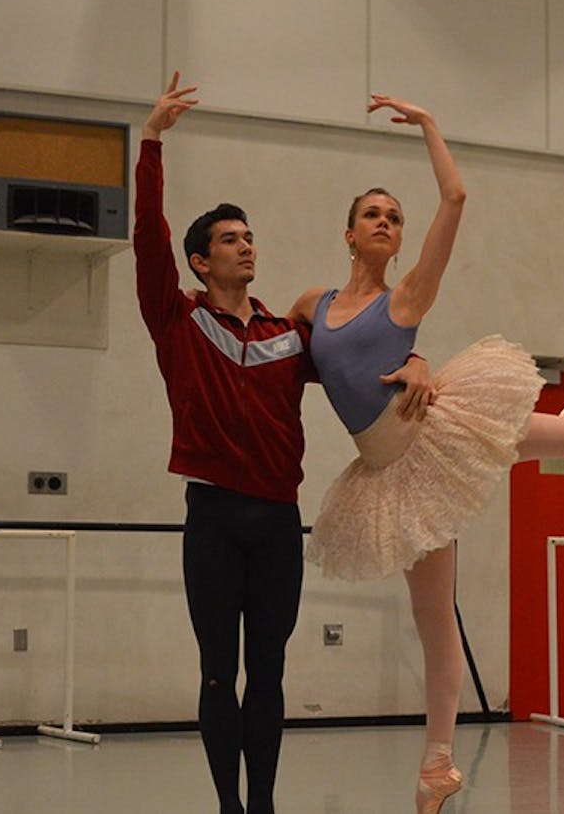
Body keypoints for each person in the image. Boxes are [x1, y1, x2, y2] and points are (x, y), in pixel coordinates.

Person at [291, 95, 564, 814]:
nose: (384, 222)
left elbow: (457, 197)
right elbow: (284, 357)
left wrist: (430, 126)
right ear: (348, 232)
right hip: (387, 472)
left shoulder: (407, 297)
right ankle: (438, 767)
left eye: (395, 217)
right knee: (436, 621)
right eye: (372, 213)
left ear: (400, 241)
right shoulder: (311, 305)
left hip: (436, 435)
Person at [132, 74, 434, 814]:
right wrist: (151, 143)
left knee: (267, 671)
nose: (245, 246)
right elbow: (149, 238)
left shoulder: (285, 338)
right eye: (229, 240)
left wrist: (419, 357)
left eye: (249, 237)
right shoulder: (178, 320)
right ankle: (228, 808)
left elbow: (362, 355)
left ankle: (261, 807)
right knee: (217, 671)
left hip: (273, 523)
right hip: (212, 520)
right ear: (202, 262)